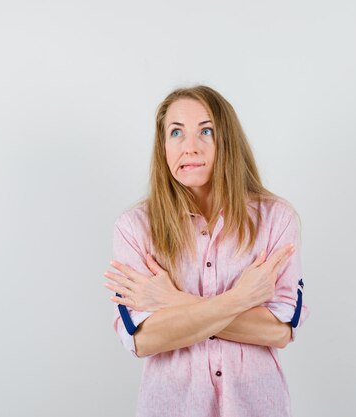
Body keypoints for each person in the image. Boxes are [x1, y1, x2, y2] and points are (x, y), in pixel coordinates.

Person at [102, 85, 309, 417]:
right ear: (163, 146)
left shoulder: (276, 219)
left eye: (206, 131)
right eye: (176, 133)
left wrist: (172, 301)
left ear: (226, 139)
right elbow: (143, 340)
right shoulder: (134, 228)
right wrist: (242, 299)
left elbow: (279, 331)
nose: (190, 147)